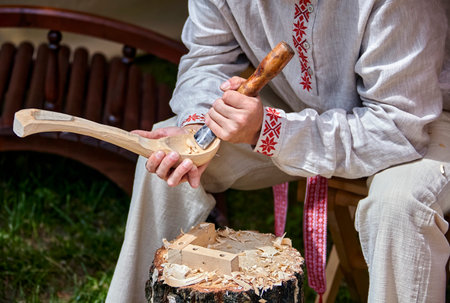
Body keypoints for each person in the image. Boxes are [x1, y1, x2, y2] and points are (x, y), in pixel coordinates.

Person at [106, 0, 449, 302]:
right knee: (167, 158)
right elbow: (207, 58)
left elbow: (398, 127)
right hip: (296, 107)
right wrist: (198, 128)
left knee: (399, 206)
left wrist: (271, 130)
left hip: (421, 119)